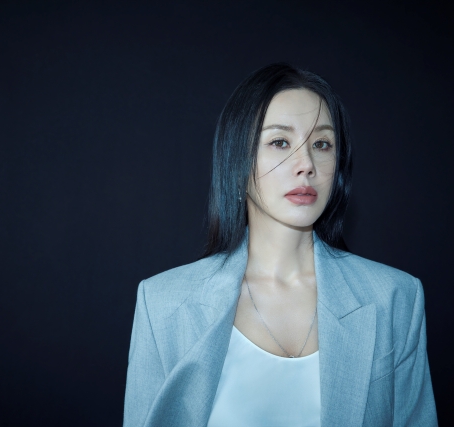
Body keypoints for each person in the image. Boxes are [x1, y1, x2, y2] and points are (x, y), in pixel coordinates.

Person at [123, 63, 438, 427]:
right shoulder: (163, 303)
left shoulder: (396, 297)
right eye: (280, 142)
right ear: (237, 160)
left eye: (322, 144)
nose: (306, 165)